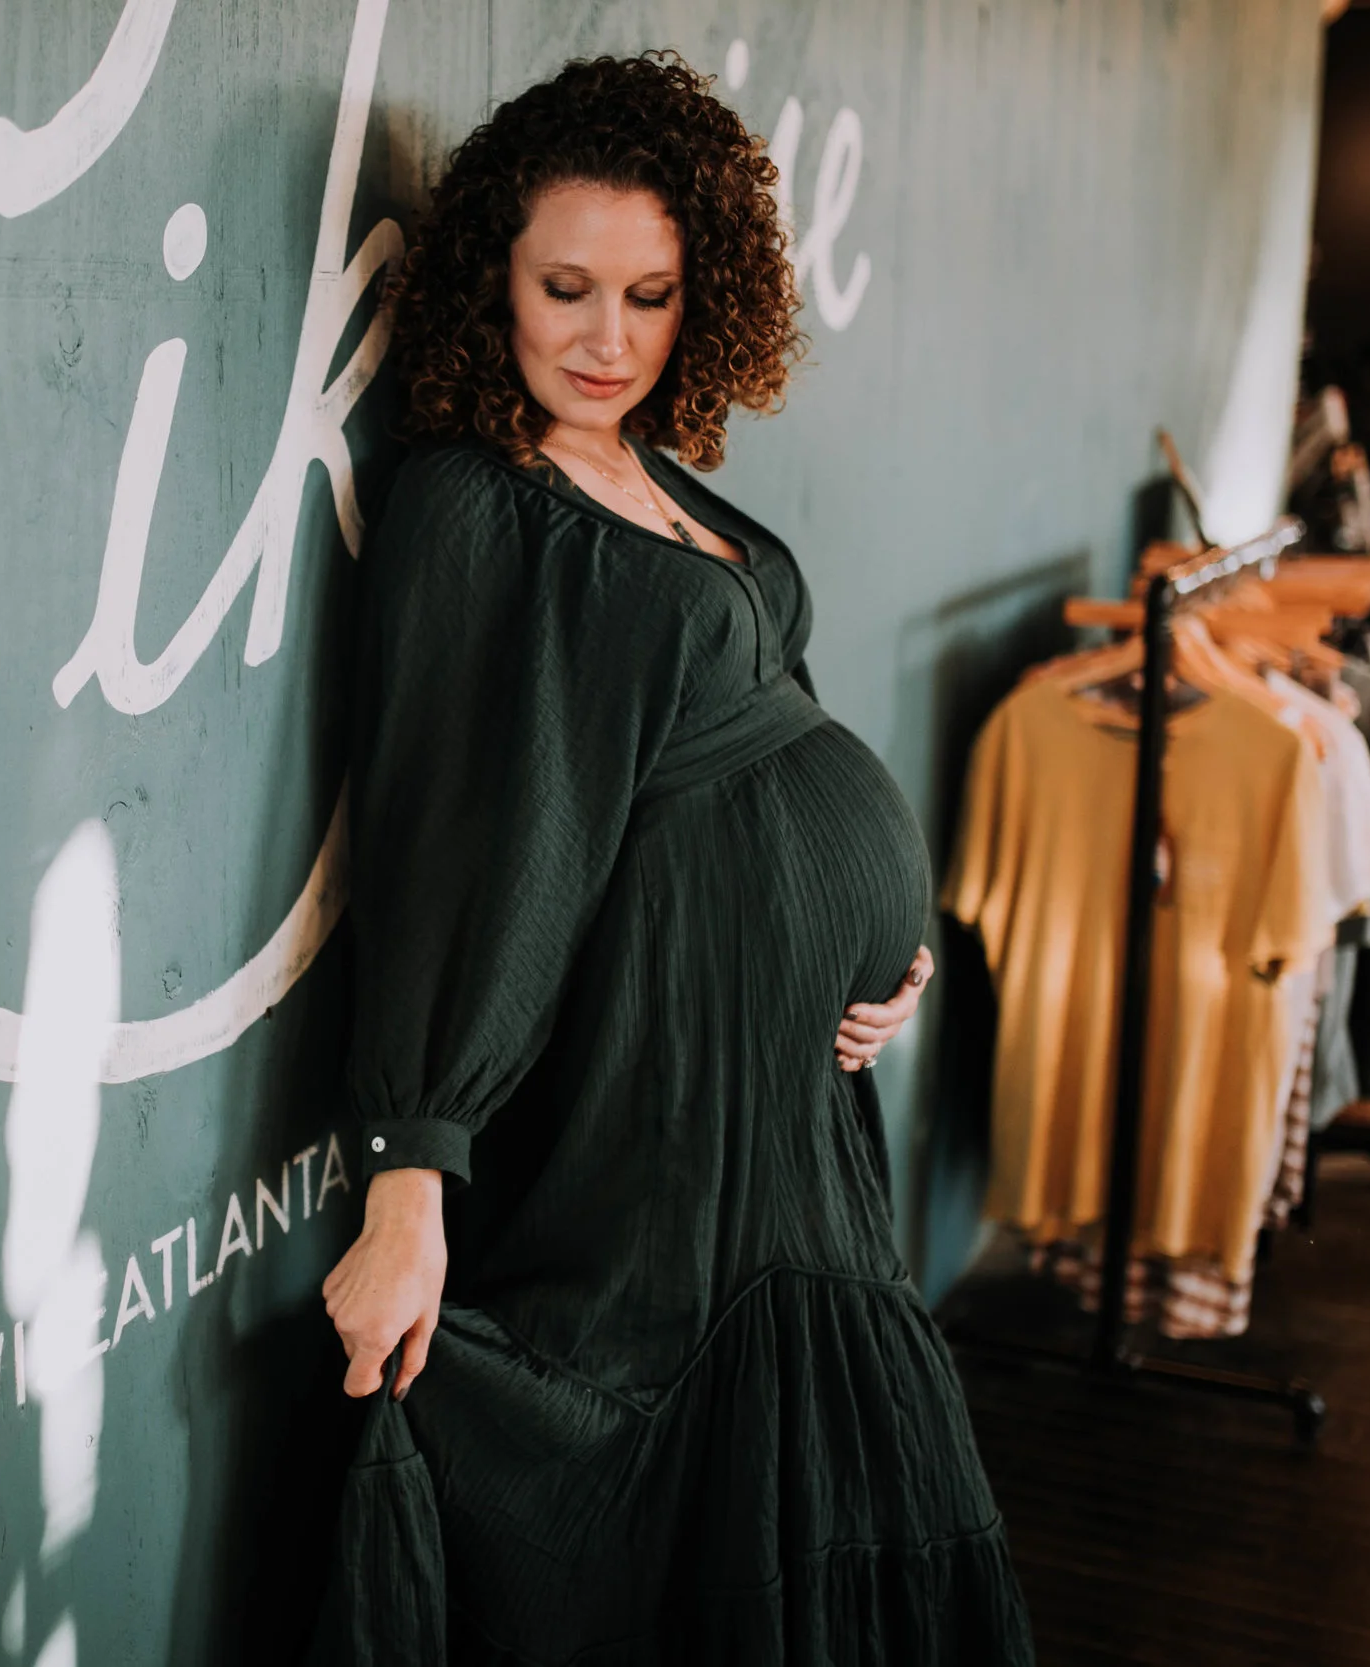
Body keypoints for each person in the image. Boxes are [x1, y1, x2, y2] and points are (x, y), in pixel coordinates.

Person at [311, 52, 1034, 1665]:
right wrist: (409, 1172)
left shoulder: (650, 473)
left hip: (793, 1093)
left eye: (648, 295)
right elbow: (440, 834)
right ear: (491, 276)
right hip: (677, 1098)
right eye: (564, 288)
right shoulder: (471, 504)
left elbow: (777, 733)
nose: (607, 338)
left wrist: (881, 944)